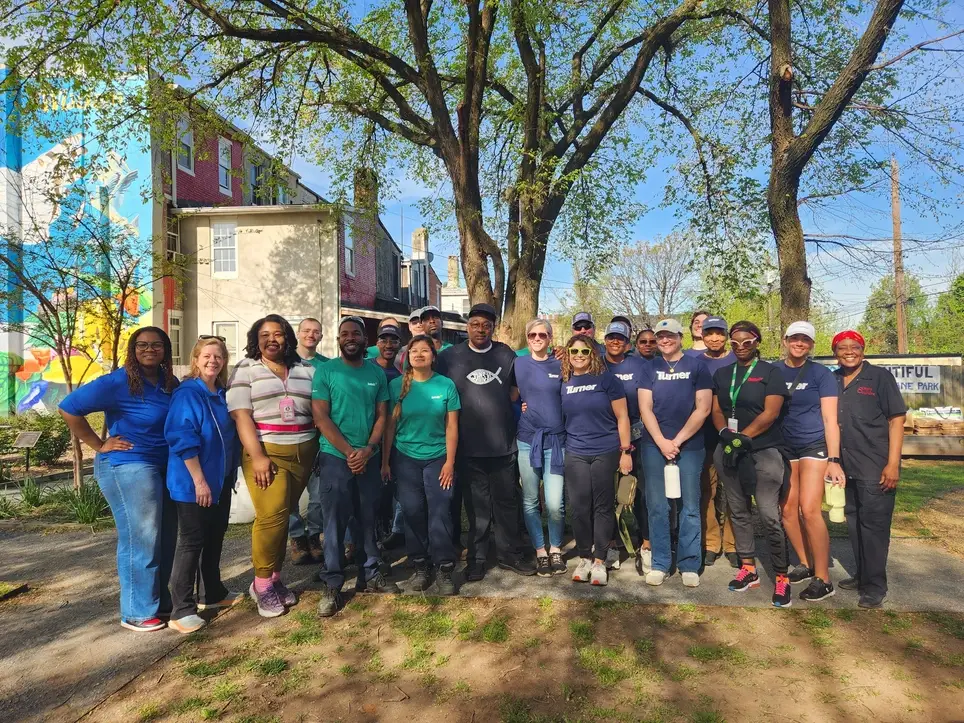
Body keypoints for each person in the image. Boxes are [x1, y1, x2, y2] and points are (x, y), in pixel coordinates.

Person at [58, 327, 178, 632]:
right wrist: (98, 445)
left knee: (163, 537)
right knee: (142, 538)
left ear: (165, 349)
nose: (149, 350)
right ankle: (137, 612)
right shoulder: (118, 381)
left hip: (162, 466)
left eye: (156, 345)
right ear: (132, 350)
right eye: (142, 345)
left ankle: (160, 603)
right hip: (130, 466)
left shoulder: (168, 382)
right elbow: (69, 408)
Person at [227, 315, 318, 618]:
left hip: (304, 452)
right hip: (266, 452)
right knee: (271, 517)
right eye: (264, 334)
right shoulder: (246, 368)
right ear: (256, 339)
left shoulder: (306, 369)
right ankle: (262, 583)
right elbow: (241, 415)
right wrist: (259, 456)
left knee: (282, 517)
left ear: (288, 338)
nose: (272, 339)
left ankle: (275, 577)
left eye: (278, 334)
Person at [436, 303, 534, 581]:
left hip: (503, 444)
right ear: (468, 326)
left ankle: (509, 555)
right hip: (468, 447)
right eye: (475, 324)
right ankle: (477, 558)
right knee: (476, 506)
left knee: (506, 503)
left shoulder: (506, 354)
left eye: (486, 325)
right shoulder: (449, 358)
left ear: (494, 327)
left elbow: (517, 390)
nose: (481, 329)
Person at [314, 317, 398, 617]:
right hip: (336, 457)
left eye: (356, 334)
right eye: (344, 334)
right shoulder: (326, 372)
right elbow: (321, 418)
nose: (350, 338)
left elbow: (382, 416)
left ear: (366, 339)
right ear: (338, 340)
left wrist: (369, 449)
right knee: (334, 522)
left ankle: (370, 573)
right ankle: (333, 584)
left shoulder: (376, 373)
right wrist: (351, 452)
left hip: (369, 456)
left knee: (368, 517)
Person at [710, 320, 793, 608]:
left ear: (756, 342)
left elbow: (771, 413)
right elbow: (717, 408)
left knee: (769, 514)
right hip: (729, 450)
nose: (740, 347)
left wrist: (744, 437)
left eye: (747, 342)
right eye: (735, 343)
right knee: (738, 510)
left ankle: (782, 576)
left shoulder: (771, 372)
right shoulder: (723, 373)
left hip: (763, 450)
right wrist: (724, 433)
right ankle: (748, 567)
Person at [164, 336, 243, 633]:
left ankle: (213, 592)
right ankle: (181, 608)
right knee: (191, 541)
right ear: (196, 360)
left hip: (219, 480)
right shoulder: (188, 395)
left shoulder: (221, 393)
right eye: (207, 356)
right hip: (193, 483)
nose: (213, 360)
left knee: (215, 536)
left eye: (219, 356)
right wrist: (199, 481)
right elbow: (182, 438)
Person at [832, 330, 906, 609]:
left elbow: (896, 420)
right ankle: (862, 576)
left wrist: (892, 463)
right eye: (842, 347)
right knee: (854, 522)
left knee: (874, 528)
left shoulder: (880, 378)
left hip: (875, 464)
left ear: (863, 349)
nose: (849, 351)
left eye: (855, 346)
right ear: (835, 352)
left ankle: (875, 586)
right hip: (845, 466)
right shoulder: (833, 380)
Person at [383, 335, 461, 595]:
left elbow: (452, 426)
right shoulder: (396, 386)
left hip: (438, 457)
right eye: (413, 350)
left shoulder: (446, 385)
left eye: (424, 350)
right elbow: (389, 428)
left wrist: (450, 462)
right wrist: (385, 461)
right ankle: (420, 566)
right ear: (407, 358)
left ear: (433, 356)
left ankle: (444, 567)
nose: (418, 354)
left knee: (440, 511)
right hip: (405, 458)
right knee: (412, 511)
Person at [638, 319, 713, 588]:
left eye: (670, 335)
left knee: (689, 505)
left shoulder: (697, 366)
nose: (665, 340)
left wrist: (677, 441)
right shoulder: (649, 368)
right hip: (654, 445)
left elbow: (703, 408)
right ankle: (660, 563)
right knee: (657, 506)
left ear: (681, 337)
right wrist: (661, 441)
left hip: (689, 446)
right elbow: (645, 408)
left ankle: (689, 563)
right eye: (660, 336)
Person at [776, 322, 844, 602]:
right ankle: (805, 563)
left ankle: (824, 579)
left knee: (810, 509)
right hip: (784, 445)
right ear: (785, 340)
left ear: (811, 345)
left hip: (814, 445)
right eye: (795, 338)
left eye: (805, 340)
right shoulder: (773, 371)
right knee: (788, 510)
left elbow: (830, 419)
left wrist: (834, 459)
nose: (799, 343)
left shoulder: (821, 374)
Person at [560, 335, 633, 586]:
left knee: (602, 506)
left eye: (584, 351)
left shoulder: (607, 380)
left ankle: (600, 560)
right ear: (568, 353)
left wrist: (626, 451)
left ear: (593, 353)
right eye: (574, 350)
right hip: (576, 451)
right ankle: (584, 557)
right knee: (580, 507)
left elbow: (622, 416)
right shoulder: (565, 381)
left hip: (606, 449)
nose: (579, 355)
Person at [513, 319, 567, 576]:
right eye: (532, 334)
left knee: (555, 503)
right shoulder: (518, 362)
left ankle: (556, 548)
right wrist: (522, 407)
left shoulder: (561, 363)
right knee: (530, 500)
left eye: (542, 334)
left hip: (556, 442)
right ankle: (541, 551)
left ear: (550, 337)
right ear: (526, 337)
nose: (537, 338)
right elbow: (512, 397)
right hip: (527, 441)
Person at [601, 320, 648, 569]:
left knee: (637, 492)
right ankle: (611, 544)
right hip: (606, 436)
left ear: (628, 343)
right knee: (608, 494)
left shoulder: (639, 365)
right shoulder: (597, 364)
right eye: (611, 338)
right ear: (605, 340)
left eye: (620, 338)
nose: (615, 342)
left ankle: (644, 544)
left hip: (636, 435)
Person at [696, 316, 738, 568]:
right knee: (707, 490)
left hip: (735, 435)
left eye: (719, 333)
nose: (714, 338)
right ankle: (711, 542)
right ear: (702, 335)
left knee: (734, 492)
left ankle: (734, 544)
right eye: (709, 333)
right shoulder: (694, 362)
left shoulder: (739, 359)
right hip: (705, 435)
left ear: (726, 336)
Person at [288, 317, 330, 566]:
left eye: (316, 332)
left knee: (317, 496)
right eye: (306, 331)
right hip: (291, 436)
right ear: (298, 333)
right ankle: (297, 538)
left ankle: (314, 536)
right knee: (290, 495)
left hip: (318, 437)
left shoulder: (326, 366)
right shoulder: (285, 363)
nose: (310, 335)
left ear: (321, 337)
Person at [370, 324, 404, 549]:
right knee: (370, 493)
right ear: (377, 343)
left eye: (393, 340)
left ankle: (390, 534)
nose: (388, 345)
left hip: (392, 442)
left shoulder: (401, 376)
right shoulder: (367, 369)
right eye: (384, 340)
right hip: (368, 441)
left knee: (390, 490)